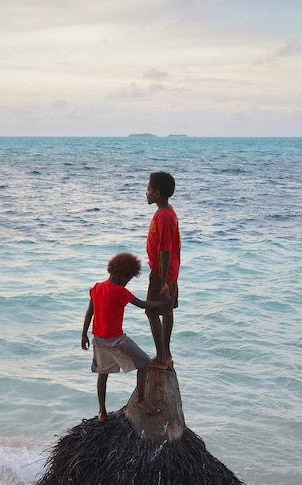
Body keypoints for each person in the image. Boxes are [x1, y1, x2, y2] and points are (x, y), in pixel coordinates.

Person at [81, 252, 169, 423]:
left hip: (98, 339)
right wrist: (163, 302)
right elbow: (143, 304)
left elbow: (89, 312)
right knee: (144, 362)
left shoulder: (97, 287)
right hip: (116, 340)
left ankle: (102, 411)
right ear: (123, 275)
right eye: (128, 278)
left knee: (103, 373)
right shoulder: (121, 292)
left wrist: (84, 334)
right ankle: (141, 400)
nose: (127, 282)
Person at [145, 171, 181, 369]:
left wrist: (164, 281)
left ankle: (162, 356)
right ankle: (165, 353)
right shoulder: (164, 212)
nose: (146, 192)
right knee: (166, 311)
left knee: (152, 312)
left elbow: (165, 250)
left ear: (157, 193)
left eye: (149, 189)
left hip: (162, 273)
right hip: (167, 272)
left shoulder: (165, 216)